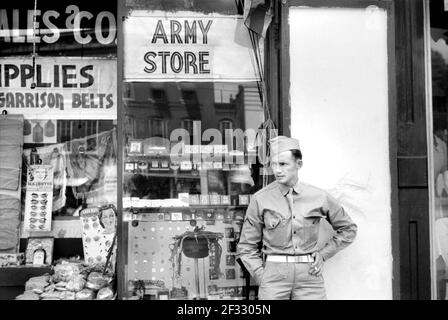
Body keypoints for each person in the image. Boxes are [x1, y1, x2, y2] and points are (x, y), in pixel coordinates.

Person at [237, 135, 358, 300]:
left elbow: (348, 229)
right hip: (274, 276)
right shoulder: (261, 199)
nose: (277, 170)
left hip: (309, 275)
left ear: (298, 164)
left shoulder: (318, 196)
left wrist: (323, 254)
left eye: (283, 164)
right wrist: (261, 275)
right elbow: (246, 246)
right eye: (273, 164)